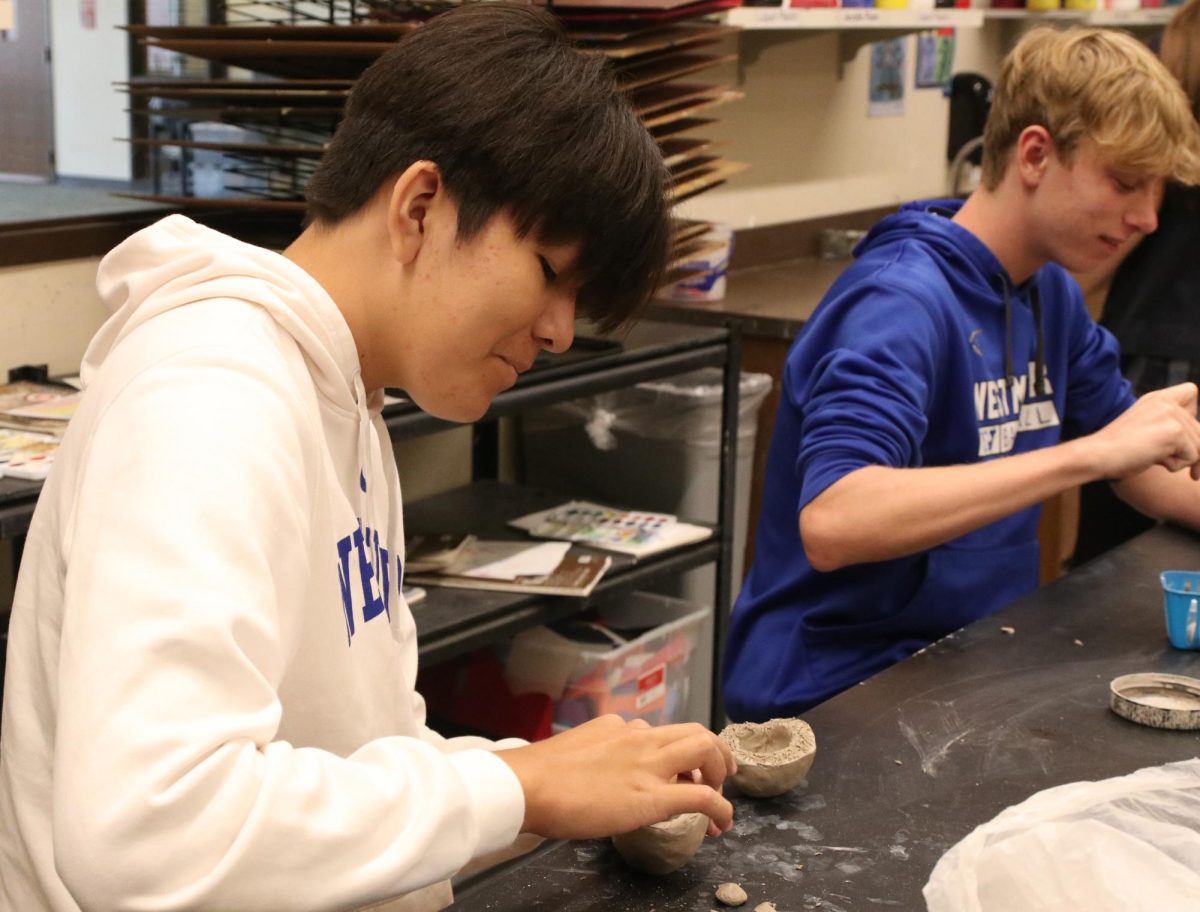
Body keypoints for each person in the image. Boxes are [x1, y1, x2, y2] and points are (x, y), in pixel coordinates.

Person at [0, 7, 735, 911]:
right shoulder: (212, 393)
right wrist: (518, 790)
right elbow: (147, 832)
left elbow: (352, 756)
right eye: (551, 271)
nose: (558, 330)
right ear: (420, 206)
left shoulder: (347, 396)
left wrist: (540, 774)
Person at [723, 26, 1200, 723]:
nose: (1148, 218)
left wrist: (1120, 449)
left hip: (967, 668)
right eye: (1125, 183)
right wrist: (1089, 455)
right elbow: (836, 519)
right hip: (831, 698)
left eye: (1157, 192)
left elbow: (1139, 462)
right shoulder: (898, 302)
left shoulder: (1049, 293)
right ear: (1035, 154)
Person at [1072, 0, 1200, 565]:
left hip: (1147, 351)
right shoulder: (1166, 155)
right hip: (1155, 366)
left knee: (1120, 552)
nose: (1143, 215)